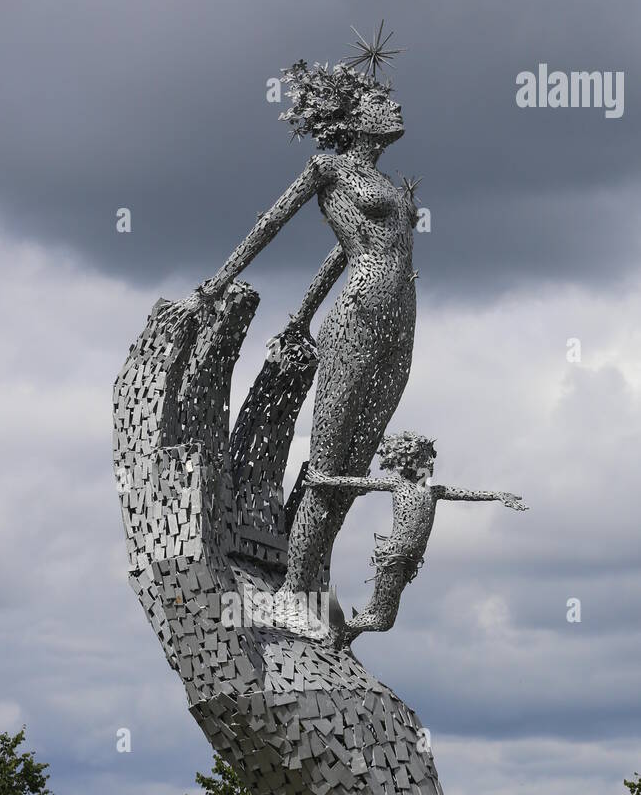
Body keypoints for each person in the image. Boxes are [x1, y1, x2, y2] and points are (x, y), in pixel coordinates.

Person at [182, 57, 419, 597]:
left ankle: (311, 578)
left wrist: (301, 314)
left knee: (358, 465)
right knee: (330, 460)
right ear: (353, 117)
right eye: (382, 101)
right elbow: (269, 223)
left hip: (402, 318)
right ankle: (292, 589)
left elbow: (338, 253)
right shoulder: (329, 169)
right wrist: (215, 286)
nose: (396, 106)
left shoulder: (392, 183)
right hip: (359, 311)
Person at [307, 432, 527, 646]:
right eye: (424, 457)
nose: (431, 462)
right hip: (395, 557)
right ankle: (338, 630)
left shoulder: (434, 491)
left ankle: (342, 639)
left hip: (410, 562)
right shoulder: (398, 485)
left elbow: (469, 493)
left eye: (430, 457)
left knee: (377, 611)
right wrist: (325, 480)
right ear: (410, 460)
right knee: (382, 621)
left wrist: (499, 496)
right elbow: (360, 482)